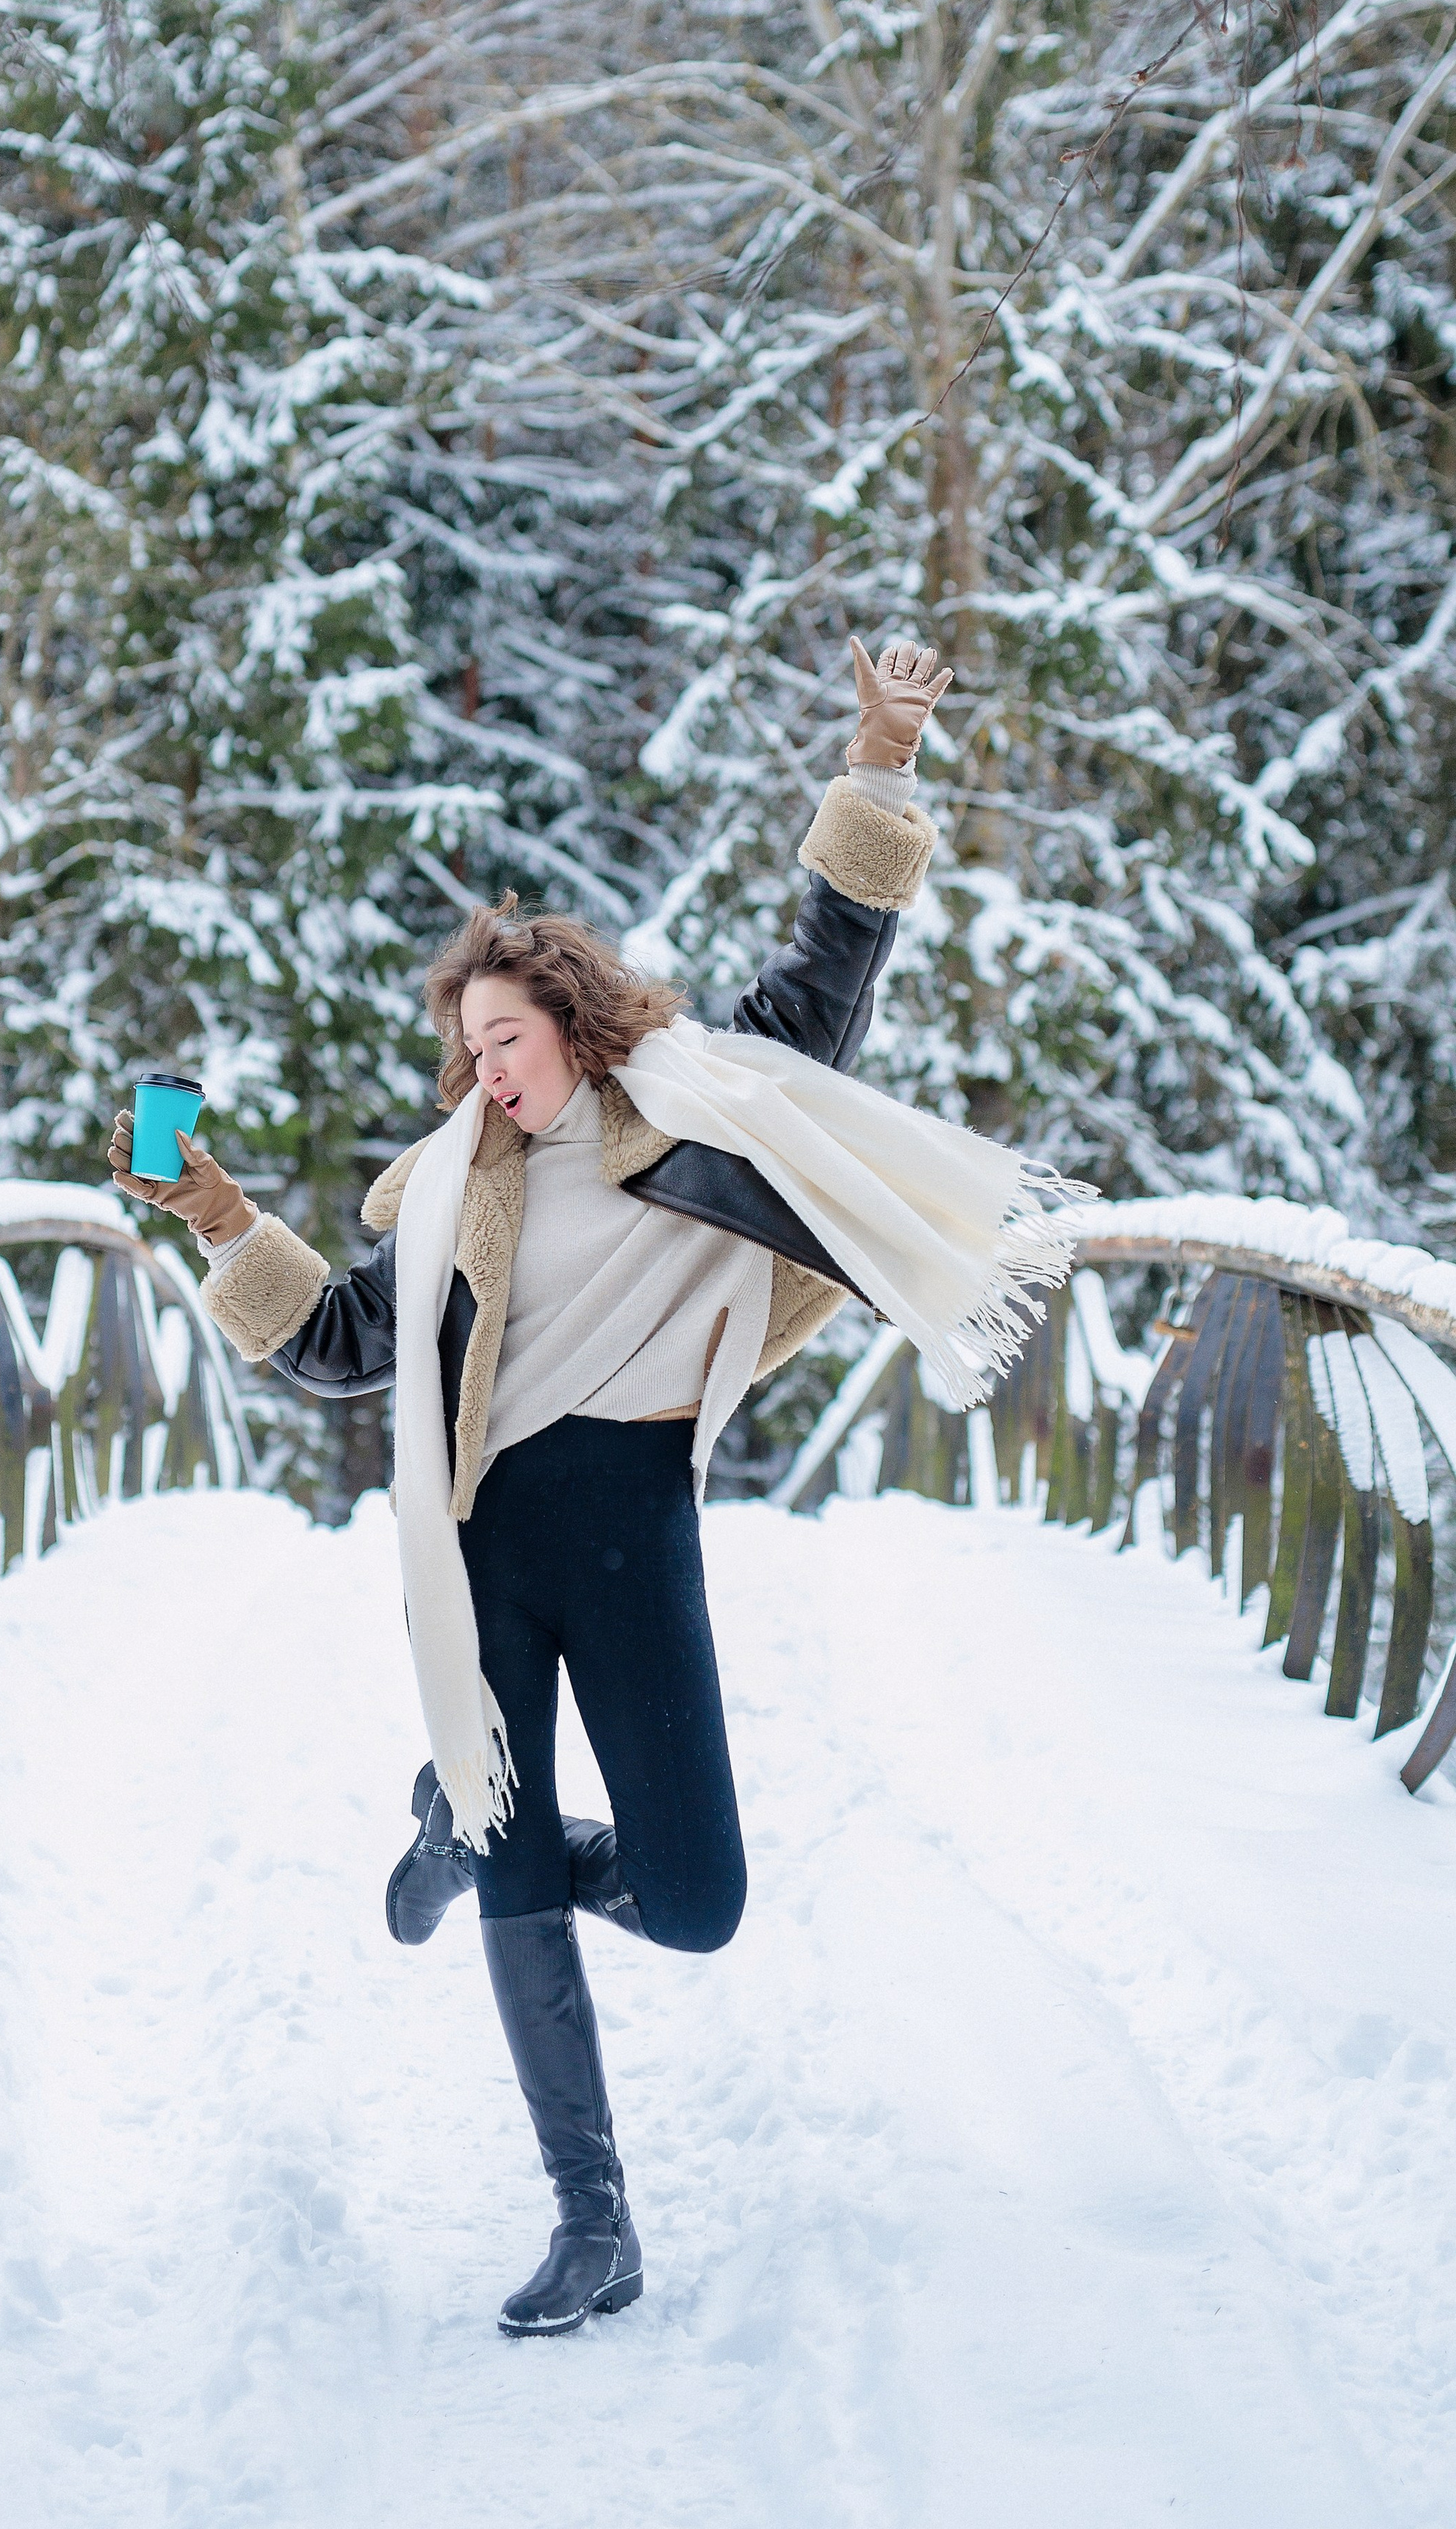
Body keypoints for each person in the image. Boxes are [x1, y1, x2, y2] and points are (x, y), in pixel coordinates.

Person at [109, 639, 1072, 2339]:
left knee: (696, 1904)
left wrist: (878, 747)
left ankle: (477, 1833)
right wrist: (214, 1217)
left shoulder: (700, 1101)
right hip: (482, 1551)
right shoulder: (436, 1199)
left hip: (634, 1532)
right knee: (524, 1875)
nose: (484, 1068)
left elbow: (828, 963)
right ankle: (590, 2217)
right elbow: (344, 1347)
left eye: (504, 1035)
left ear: (568, 1019)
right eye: (465, 1050)